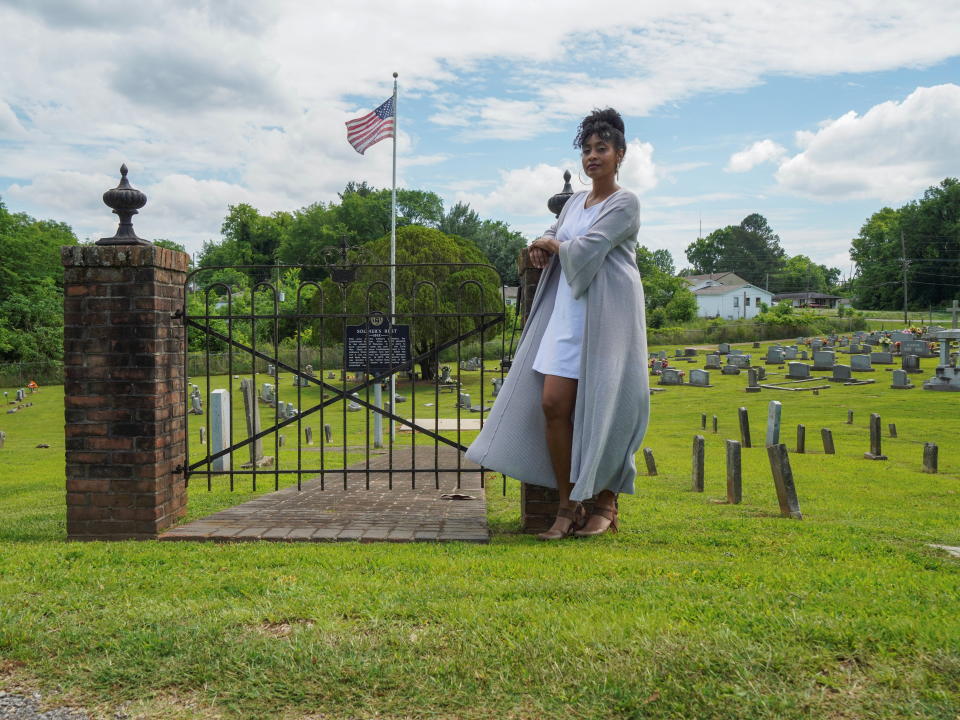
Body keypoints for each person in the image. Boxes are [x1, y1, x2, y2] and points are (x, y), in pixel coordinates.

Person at [466, 107, 649, 540]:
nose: (592, 157)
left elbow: (591, 246)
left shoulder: (625, 202)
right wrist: (539, 246)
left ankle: (606, 500)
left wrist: (555, 244)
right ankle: (568, 504)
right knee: (553, 405)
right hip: (568, 314)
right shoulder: (575, 206)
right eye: (586, 149)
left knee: (604, 408)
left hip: (608, 318)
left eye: (601, 149)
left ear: (620, 154)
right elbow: (557, 235)